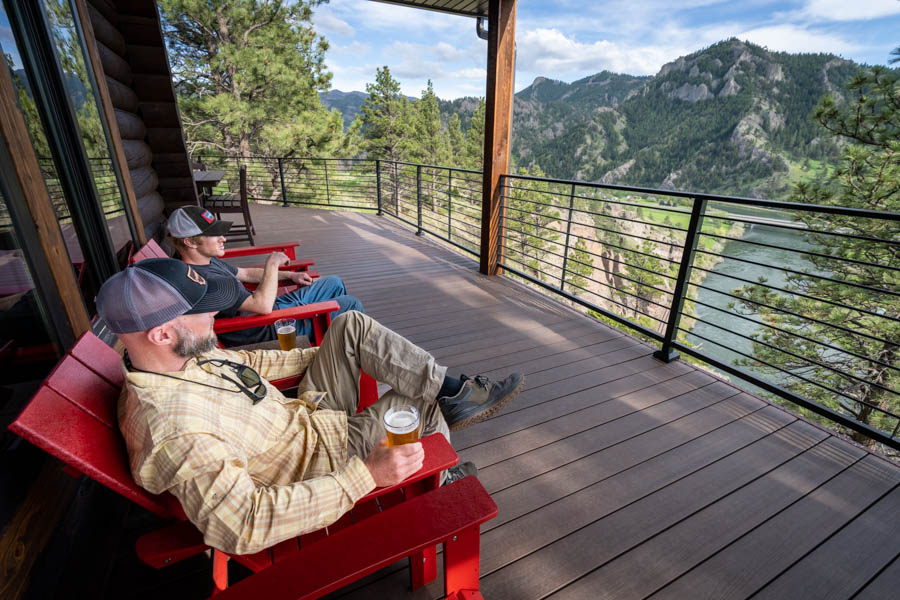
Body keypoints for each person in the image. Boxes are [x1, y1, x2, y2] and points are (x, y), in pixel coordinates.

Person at [96, 258, 524, 555]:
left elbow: (247, 362)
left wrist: (335, 351)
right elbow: (243, 523)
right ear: (161, 334)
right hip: (321, 461)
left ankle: (456, 394)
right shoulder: (174, 429)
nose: (214, 317)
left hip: (305, 417)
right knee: (420, 407)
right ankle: (442, 469)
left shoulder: (180, 358)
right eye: (203, 312)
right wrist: (366, 476)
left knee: (350, 326)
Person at [166, 205, 364, 347]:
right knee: (350, 303)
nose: (223, 238)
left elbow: (243, 273)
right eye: (214, 235)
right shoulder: (204, 281)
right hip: (266, 329)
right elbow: (262, 305)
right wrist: (272, 263)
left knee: (333, 283)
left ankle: (341, 345)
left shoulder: (205, 260)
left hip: (270, 312)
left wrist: (288, 275)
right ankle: (352, 353)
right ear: (190, 242)